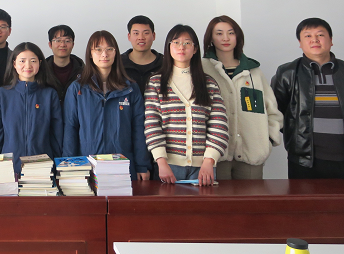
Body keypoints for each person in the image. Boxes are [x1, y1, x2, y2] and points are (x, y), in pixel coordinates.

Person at [144, 24, 228, 185]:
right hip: (168, 167)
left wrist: (209, 161)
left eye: (187, 43)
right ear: (168, 47)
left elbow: (219, 125)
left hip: (203, 168)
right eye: (176, 42)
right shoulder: (156, 83)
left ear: (195, 49)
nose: (181, 47)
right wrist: (161, 162)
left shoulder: (209, 84)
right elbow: (152, 125)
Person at [202, 15, 282, 180]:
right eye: (219, 33)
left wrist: (267, 140)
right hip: (214, 155)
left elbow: (272, 110)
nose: (225, 38)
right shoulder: (201, 69)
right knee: (218, 197)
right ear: (211, 38)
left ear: (238, 36)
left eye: (231, 33)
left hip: (251, 154)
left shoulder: (253, 71)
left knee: (252, 196)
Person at [63, 31, 150, 180]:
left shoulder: (130, 88)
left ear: (116, 53)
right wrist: (70, 167)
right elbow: (70, 129)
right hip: (88, 165)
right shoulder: (77, 89)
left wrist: (142, 165)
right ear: (90, 54)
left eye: (109, 49)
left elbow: (139, 129)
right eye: (98, 49)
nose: (104, 54)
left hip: (122, 165)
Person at [272, 18, 344, 179]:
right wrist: (296, 134)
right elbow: (276, 113)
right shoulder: (287, 73)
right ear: (300, 42)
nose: (314, 40)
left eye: (320, 35)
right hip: (304, 161)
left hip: (341, 159)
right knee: (304, 197)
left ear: (331, 40)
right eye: (308, 36)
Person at [0, 42, 63, 173]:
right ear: (14, 64)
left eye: (33, 61)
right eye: (22, 61)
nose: (28, 65)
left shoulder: (49, 94)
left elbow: (57, 134)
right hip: (9, 168)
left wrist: (58, 166)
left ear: (40, 63)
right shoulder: (2, 95)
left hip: (42, 168)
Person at [121, 15, 163, 97]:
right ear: (129, 36)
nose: (141, 37)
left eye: (146, 33)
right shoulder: (119, 63)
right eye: (136, 33)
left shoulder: (165, 63)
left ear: (153, 36)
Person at [46, 25, 84, 101]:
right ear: (50, 44)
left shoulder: (84, 72)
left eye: (67, 41)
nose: (63, 44)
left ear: (73, 45)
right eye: (58, 40)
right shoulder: (41, 71)